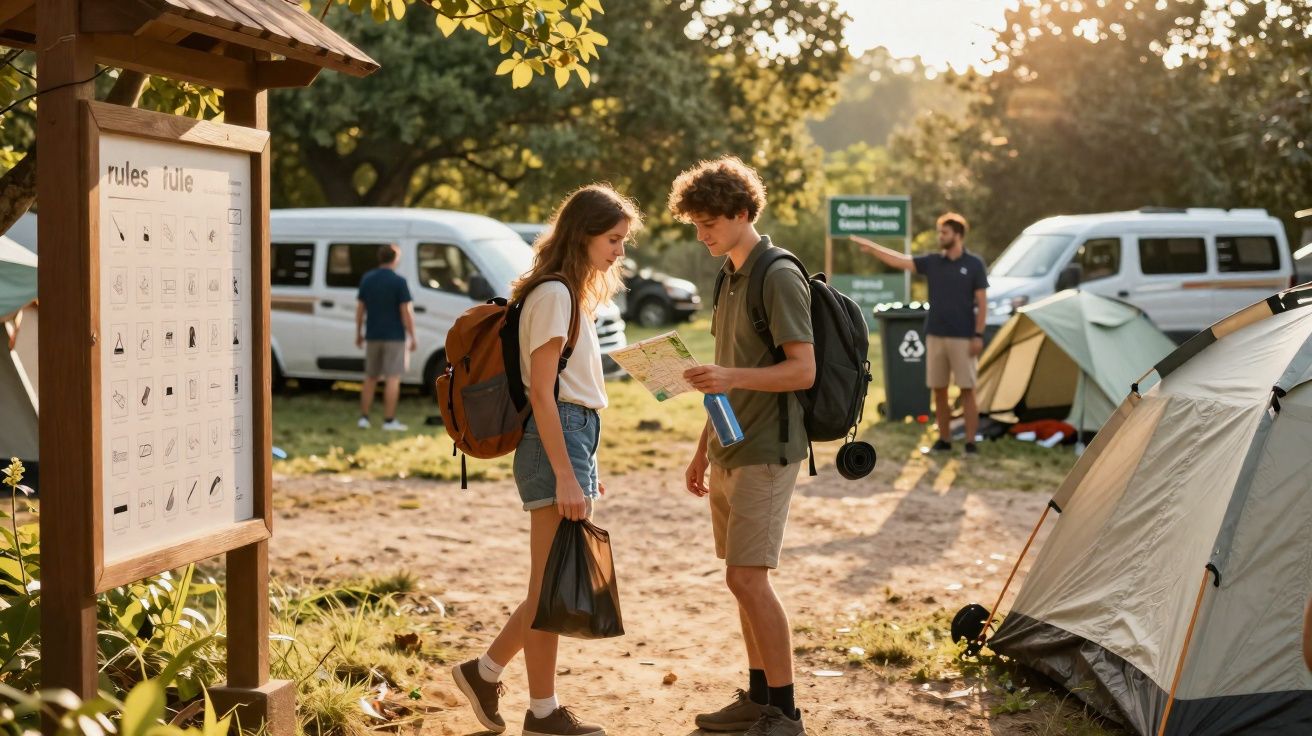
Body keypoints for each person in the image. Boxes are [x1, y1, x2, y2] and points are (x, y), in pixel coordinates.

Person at [450, 184, 640, 736]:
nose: (619, 252)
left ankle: (518, 695)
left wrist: (580, 468)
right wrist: (565, 472)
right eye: (613, 239)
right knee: (546, 587)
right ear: (582, 234)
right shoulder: (554, 295)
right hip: (556, 438)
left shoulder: (563, 293)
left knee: (549, 584)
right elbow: (542, 392)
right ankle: (514, 692)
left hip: (573, 438)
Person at [670, 156, 817, 736]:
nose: (701, 235)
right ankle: (758, 698)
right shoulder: (727, 274)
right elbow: (725, 368)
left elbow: (801, 370)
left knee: (750, 579)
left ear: (740, 213)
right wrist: (703, 447)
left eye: (708, 223)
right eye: (695, 226)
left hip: (768, 449)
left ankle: (786, 713)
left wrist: (728, 379)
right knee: (739, 578)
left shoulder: (777, 274)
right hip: (730, 444)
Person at [852, 212, 988, 455]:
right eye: (939, 232)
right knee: (939, 389)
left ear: (957, 235)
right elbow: (900, 261)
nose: (940, 236)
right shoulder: (933, 262)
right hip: (935, 335)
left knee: (967, 389)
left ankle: (970, 443)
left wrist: (978, 335)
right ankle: (944, 441)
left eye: (944, 232)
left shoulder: (974, 265)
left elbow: (982, 303)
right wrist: (872, 248)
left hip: (964, 337)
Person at [355, 244, 417, 431]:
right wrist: (413, 335)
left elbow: (360, 309)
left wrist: (358, 333)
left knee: (370, 377)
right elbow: (405, 311)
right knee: (392, 378)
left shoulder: (367, 279)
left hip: (372, 334)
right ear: (395, 258)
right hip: (394, 336)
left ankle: (364, 418)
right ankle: (389, 421)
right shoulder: (399, 281)